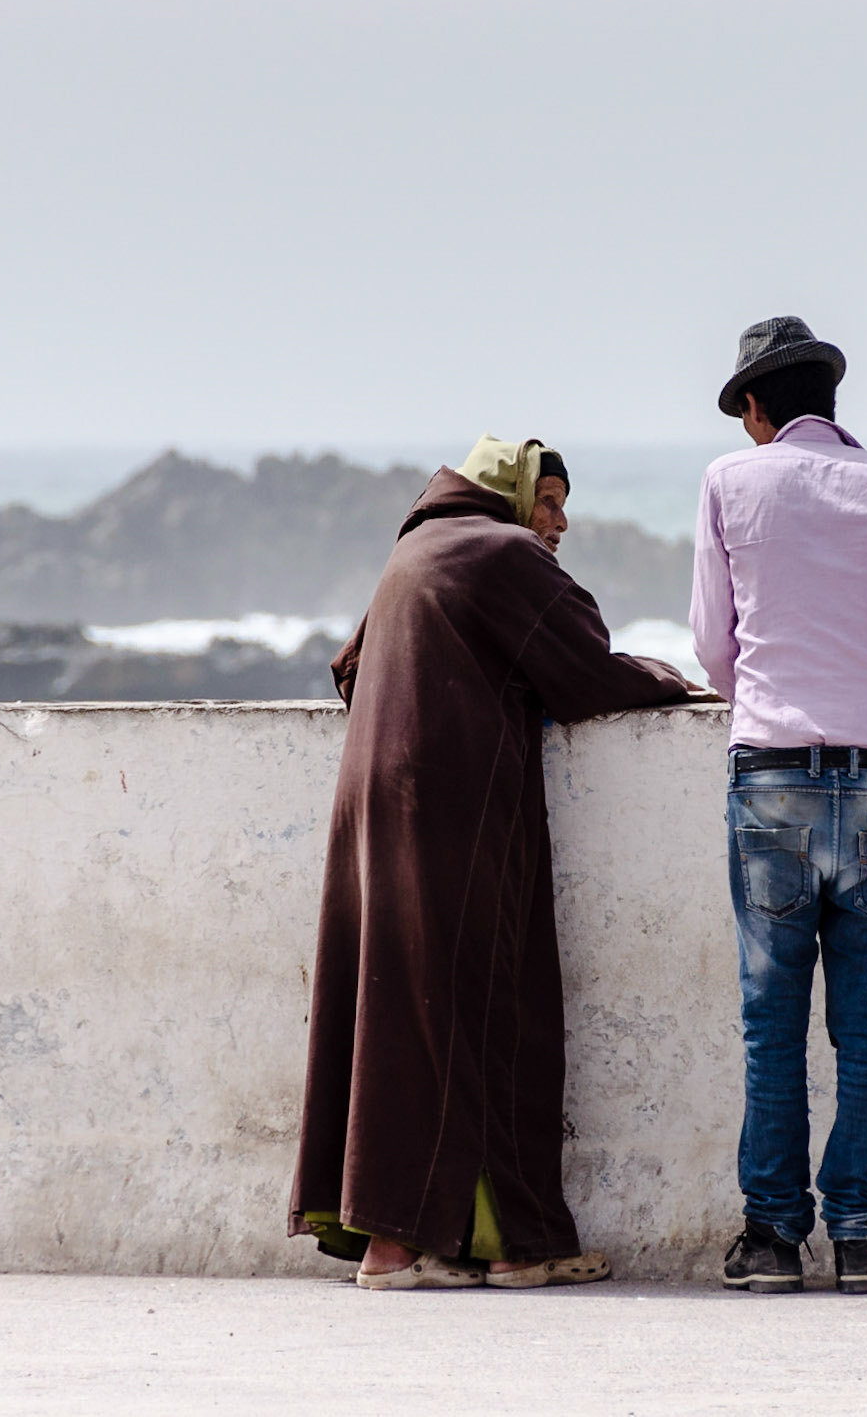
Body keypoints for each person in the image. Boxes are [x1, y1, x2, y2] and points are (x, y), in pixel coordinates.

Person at [289, 435, 704, 1290]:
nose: (558, 522)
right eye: (547, 499)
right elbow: (583, 670)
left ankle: (397, 1245)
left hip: (375, 804)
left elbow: (350, 667)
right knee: (489, 1011)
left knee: (399, 1014)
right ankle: (512, 1244)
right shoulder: (503, 550)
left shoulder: (415, 550)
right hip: (454, 805)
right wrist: (667, 676)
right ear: (510, 494)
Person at [690, 316, 867, 1294]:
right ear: (830, 401)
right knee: (865, 1028)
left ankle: (771, 1241)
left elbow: (712, 641)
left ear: (758, 410)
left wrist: (759, 694)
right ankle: (858, 1240)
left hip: (769, 773)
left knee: (772, 1024)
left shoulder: (730, 482)